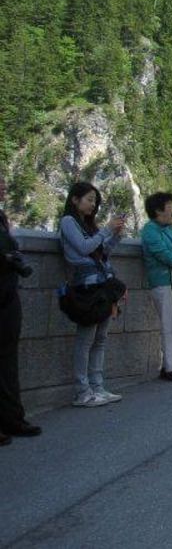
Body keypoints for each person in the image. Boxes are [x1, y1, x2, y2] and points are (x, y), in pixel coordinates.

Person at [59, 182, 125, 407]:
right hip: (85, 287)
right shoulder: (68, 222)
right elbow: (83, 248)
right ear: (75, 200)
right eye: (89, 199)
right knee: (86, 339)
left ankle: (97, 386)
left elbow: (101, 252)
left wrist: (115, 235)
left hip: (101, 286)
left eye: (94, 200)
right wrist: (106, 230)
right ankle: (82, 390)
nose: (92, 204)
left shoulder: (89, 225)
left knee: (100, 339)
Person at [0, 178, 40, 441]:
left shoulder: (1, 216)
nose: (4, 187)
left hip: (7, 295)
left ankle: (12, 419)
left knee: (8, 362)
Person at [140, 192, 172, 383]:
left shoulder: (171, 230)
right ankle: (171, 368)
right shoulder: (149, 231)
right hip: (162, 282)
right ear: (158, 210)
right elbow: (160, 252)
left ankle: (171, 364)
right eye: (169, 205)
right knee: (170, 325)